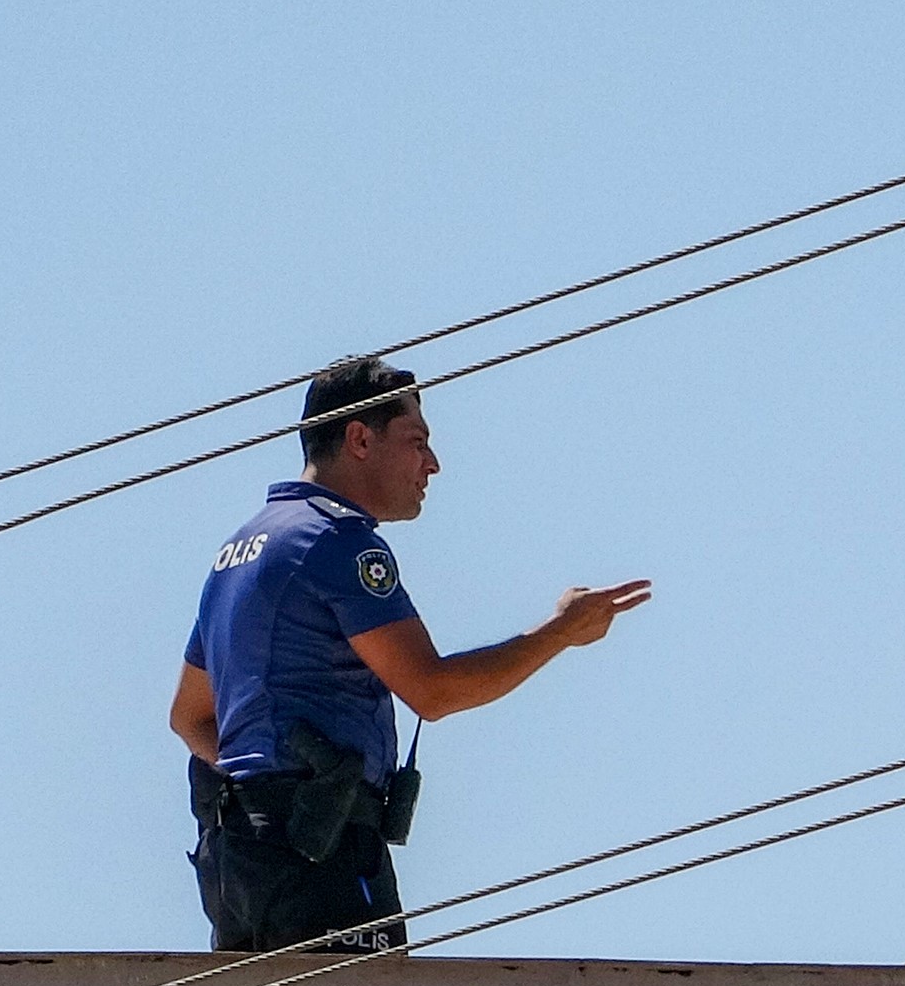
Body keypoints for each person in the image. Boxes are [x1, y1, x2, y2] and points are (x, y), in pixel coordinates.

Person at [170, 355, 650, 952]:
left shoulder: (242, 548)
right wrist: (560, 631)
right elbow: (432, 690)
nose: (433, 464)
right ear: (359, 438)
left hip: (239, 863)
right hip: (317, 858)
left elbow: (190, 716)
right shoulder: (335, 542)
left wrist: (256, 792)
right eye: (416, 440)